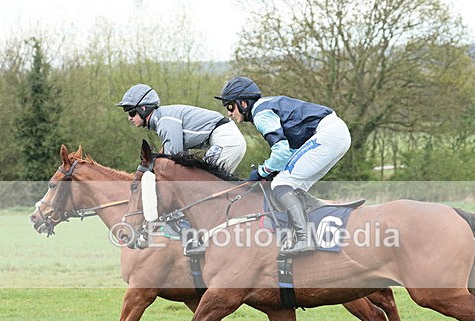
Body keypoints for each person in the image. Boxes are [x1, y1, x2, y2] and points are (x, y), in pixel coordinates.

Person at [215, 77, 351, 256]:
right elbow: (290, 153)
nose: (229, 113)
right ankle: (303, 233)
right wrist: (271, 171)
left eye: (230, 107)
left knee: (281, 184)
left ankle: (304, 239)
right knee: (294, 187)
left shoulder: (261, 114)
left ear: (243, 103)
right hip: (335, 134)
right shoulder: (266, 106)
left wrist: (261, 172)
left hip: (329, 134)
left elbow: (282, 153)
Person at [118, 84, 247, 172]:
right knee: (211, 188)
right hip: (228, 139)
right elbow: (181, 158)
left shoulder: (164, 121)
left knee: (199, 182)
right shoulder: (163, 118)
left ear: (143, 108)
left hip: (226, 140)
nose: (129, 118)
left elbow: (172, 162)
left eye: (131, 112)